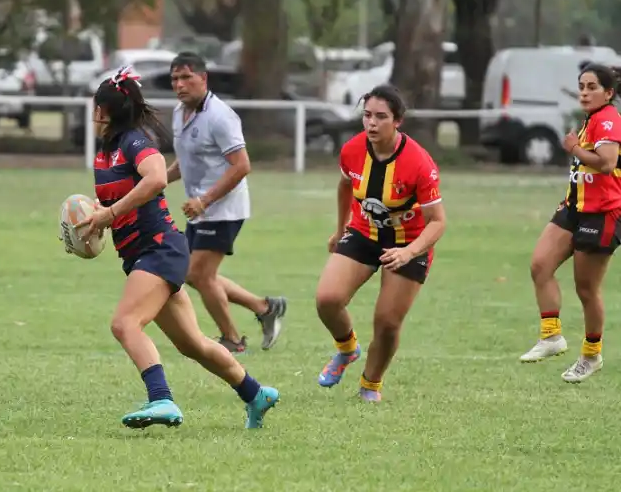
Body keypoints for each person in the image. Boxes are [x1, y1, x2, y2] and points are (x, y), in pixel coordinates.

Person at [75, 65, 279, 429]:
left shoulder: (135, 142)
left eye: (96, 106)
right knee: (193, 344)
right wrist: (94, 222)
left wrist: (112, 214)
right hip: (140, 253)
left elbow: (155, 179)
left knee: (125, 324)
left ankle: (162, 400)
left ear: (103, 111)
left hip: (159, 249)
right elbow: (113, 201)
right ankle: (255, 393)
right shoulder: (105, 153)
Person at [315, 84, 446, 402]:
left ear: (398, 120)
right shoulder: (352, 150)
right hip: (363, 233)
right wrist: (340, 228)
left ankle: (370, 385)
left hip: (409, 242)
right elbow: (345, 186)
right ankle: (347, 350)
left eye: (381, 117)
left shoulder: (419, 163)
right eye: (367, 115)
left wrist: (409, 252)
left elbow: (438, 222)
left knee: (387, 322)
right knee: (327, 300)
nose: (371, 123)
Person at [165, 51, 287, 354]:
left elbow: (241, 165)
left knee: (197, 274)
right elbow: (185, 161)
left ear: (203, 79)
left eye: (186, 77)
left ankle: (232, 339)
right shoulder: (179, 113)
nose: (180, 85)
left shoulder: (220, 116)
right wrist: (156, 182)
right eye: (175, 79)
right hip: (201, 208)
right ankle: (264, 307)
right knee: (197, 275)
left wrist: (205, 200)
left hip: (223, 208)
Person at [519, 63, 621, 383]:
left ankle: (591, 355)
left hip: (603, 213)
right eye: (582, 86)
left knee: (586, 288)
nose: (585, 92)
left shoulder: (608, 120)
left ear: (608, 93)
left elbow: (606, 163)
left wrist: (573, 147)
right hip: (574, 208)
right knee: (540, 265)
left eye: (592, 87)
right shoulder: (590, 120)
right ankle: (552, 337)